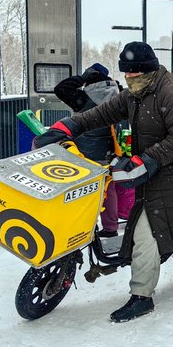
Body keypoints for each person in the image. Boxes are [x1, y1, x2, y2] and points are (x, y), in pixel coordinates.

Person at [34, 41, 173, 323]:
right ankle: (141, 297)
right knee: (145, 237)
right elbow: (102, 113)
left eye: (133, 76)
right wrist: (67, 127)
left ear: (148, 71)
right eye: (126, 76)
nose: (129, 81)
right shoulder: (135, 93)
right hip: (156, 178)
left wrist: (144, 161)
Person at [53, 63, 134, 238]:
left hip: (84, 153)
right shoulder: (117, 95)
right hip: (110, 152)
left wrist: (81, 78)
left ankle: (82, 228)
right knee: (108, 191)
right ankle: (110, 228)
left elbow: (60, 88)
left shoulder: (82, 97)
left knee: (81, 192)